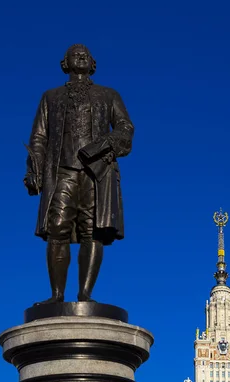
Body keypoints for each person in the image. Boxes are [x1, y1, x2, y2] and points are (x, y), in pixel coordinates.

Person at [24, 44, 134, 304]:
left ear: (92, 62)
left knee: (92, 231)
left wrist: (104, 145)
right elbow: (39, 136)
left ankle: (85, 294)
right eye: (75, 54)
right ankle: (57, 296)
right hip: (61, 171)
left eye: (86, 54)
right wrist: (34, 169)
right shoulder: (51, 97)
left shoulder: (108, 95)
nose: (81, 56)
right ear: (66, 63)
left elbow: (125, 128)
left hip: (96, 172)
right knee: (57, 228)